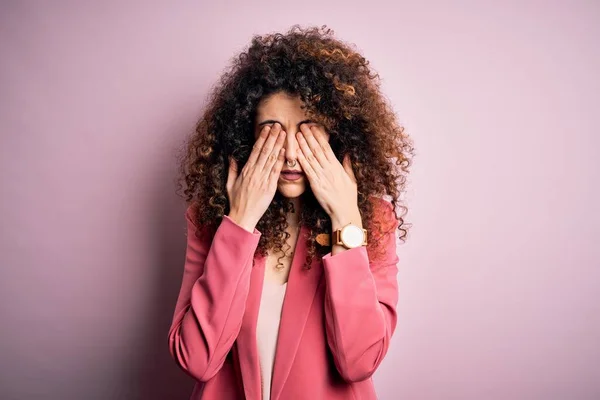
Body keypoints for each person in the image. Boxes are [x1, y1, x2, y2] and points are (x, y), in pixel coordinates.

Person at [167, 24, 414, 400]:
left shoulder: (373, 218)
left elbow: (359, 361)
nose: (291, 153)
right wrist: (240, 222)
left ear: (337, 134)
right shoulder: (210, 218)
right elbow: (197, 360)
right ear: (246, 135)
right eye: (272, 130)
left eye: (309, 129)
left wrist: (346, 219)